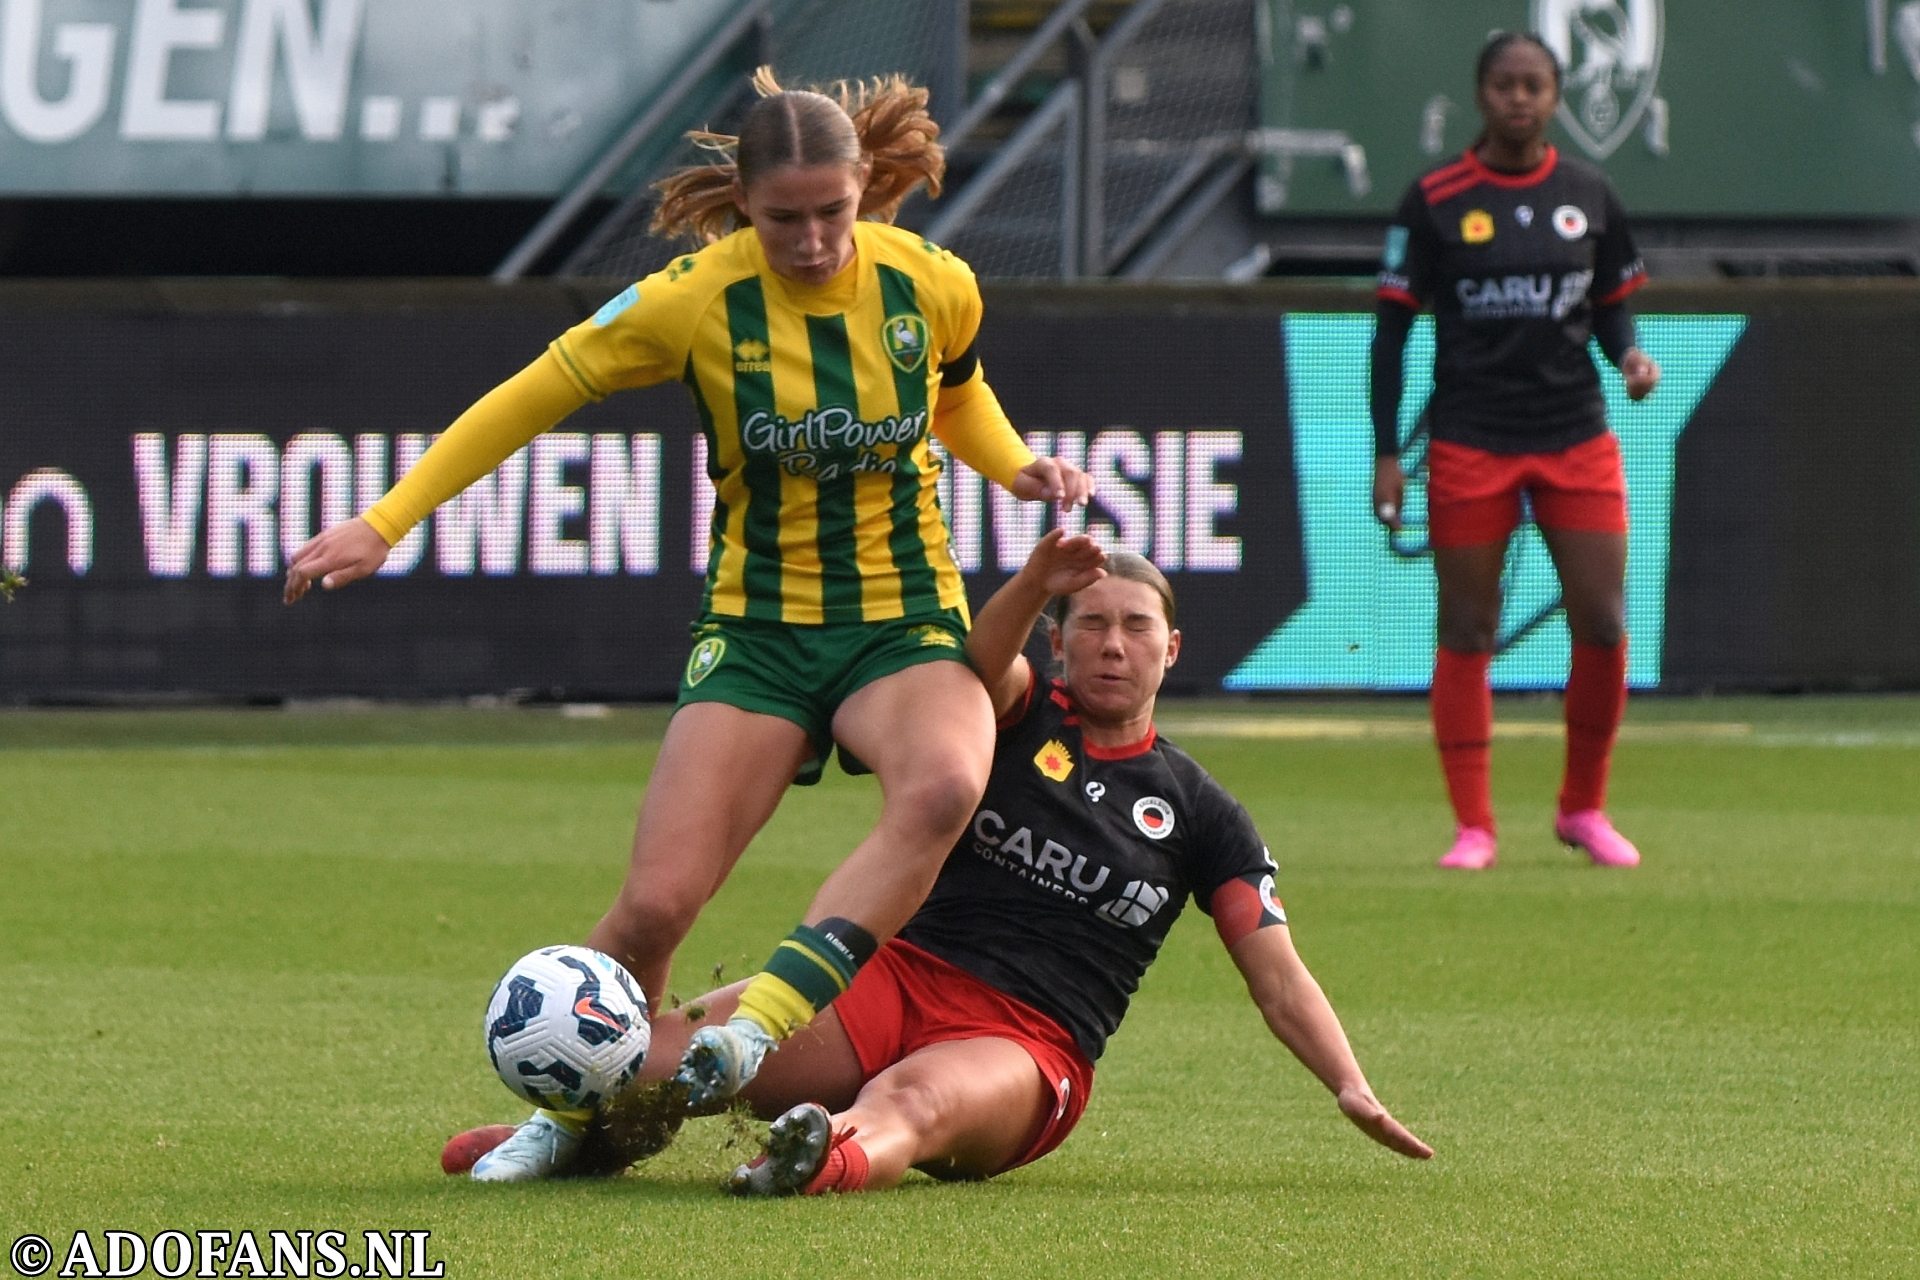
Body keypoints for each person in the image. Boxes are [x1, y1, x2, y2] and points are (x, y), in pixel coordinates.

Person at [284, 68, 1092, 1178]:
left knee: (947, 785)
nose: (810, 241)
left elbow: (956, 393)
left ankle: (756, 1021)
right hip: (758, 630)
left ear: (865, 190)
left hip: (904, 617)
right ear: (743, 206)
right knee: (656, 906)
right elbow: (536, 390)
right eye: (783, 219)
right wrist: (387, 519)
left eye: (831, 214)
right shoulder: (695, 299)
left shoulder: (933, 283)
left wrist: (1014, 466)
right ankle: (574, 1123)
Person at [445, 530, 1433, 1190]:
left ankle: (818, 1157)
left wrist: (1347, 1080)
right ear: (1058, 644)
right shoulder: (1007, 715)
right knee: (670, 1053)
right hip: (892, 976)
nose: (1113, 643)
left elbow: (1278, 973)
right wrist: (1031, 582)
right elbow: (974, 656)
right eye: (1089, 621)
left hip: (1029, 1041)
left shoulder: (1205, 812)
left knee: (909, 1101)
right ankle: (568, 1131)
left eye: (1136, 626)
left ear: (1172, 646)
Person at [1371, 32, 1660, 872]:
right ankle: (1474, 827)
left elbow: (1609, 310)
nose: (1520, 99)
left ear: (1557, 96)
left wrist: (1631, 358)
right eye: (1505, 84)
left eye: (1535, 85)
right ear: (1481, 93)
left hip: (1575, 433)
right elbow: (1390, 335)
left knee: (1602, 620)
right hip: (1471, 438)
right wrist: (1388, 453)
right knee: (1468, 623)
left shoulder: (1589, 192)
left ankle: (1584, 810)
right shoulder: (1434, 198)